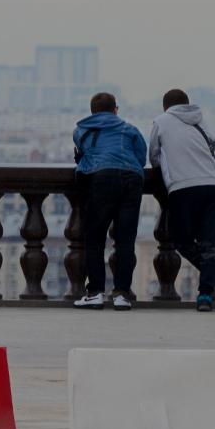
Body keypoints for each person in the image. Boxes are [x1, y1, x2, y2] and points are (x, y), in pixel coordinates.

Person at [148, 88, 215, 312]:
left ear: (166, 106)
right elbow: (211, 145)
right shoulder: (200, 120)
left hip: (182, 186)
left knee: (183, 241)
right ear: (186, 104)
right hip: (212, 183)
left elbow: (154, 156)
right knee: (210, 244)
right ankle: (208, 294)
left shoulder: (161, 122)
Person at [72, 92, 147, 311]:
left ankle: (95, 293)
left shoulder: (81, 131)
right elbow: (141, 158)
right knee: (125, 240)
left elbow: (83, 153)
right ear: (116, 110)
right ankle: (122, 294)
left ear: (92, 112)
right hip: (132, 179)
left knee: (95, 238)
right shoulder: (130, 130)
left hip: (101, 179)